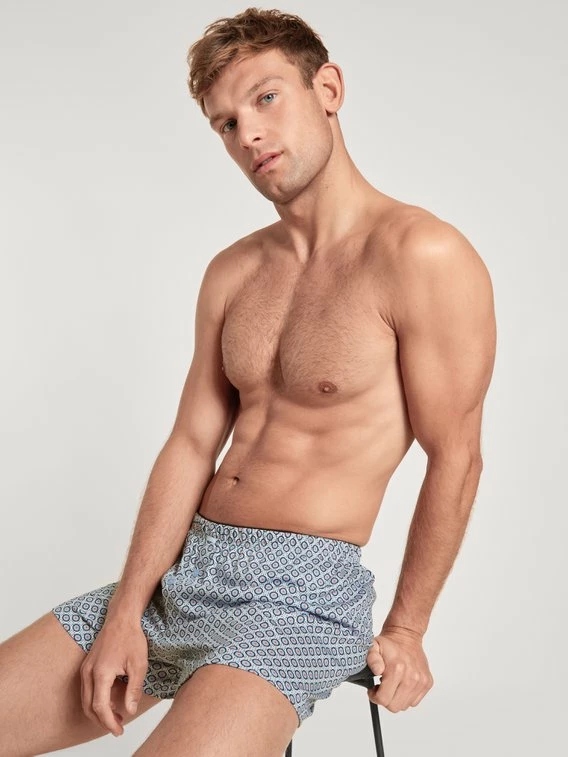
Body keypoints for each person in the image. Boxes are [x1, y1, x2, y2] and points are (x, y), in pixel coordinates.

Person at [0, 7, 496, 756]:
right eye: (227, 124)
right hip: (185, 570)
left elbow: (456, 454)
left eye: (266, 98)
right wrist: (127, 609)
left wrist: (407, 628)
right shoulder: (233, 271)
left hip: (301, 599)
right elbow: (191, 443)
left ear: (328, 89)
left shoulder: (421, 255)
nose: (250, 135)